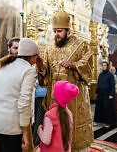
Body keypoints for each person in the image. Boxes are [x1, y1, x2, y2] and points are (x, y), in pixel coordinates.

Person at [37, 11, 94, 151]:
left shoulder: (82, 45)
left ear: (68, 31)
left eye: (60, 31)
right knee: (55, 131)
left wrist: (74, 65)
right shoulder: (50, 49)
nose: (56, 34)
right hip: (54, 99)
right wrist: (41, 67)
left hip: (75, 100)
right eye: (55, 31)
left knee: (73, 129)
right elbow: (46, 74)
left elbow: (89, 67)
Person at [0, 38, 39, 152]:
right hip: (10, 129)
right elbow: (24, 103)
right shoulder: (28, 70)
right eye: (36, 57)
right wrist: (25, 133)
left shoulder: (4, 64)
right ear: (31, 56)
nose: (36, 60)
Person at [38, 80, 78, 152]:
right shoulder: (69, 113)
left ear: (57, 95)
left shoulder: (49, 115)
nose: (52, 90)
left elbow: (46, 140)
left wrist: (39, 131)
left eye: (54, 89)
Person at [94, 61, 115, 126]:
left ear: (107, 66)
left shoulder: (110, 75)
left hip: (107, 94)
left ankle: (107, 122)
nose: (103, 66)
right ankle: (98, 121)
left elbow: (112, 85)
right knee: (99, 108)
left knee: (106, 108)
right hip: (100, 94)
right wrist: (96, 92)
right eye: (102, 65)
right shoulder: (100, 74)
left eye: (105, 65)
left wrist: (111, 94)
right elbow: (98, 84)